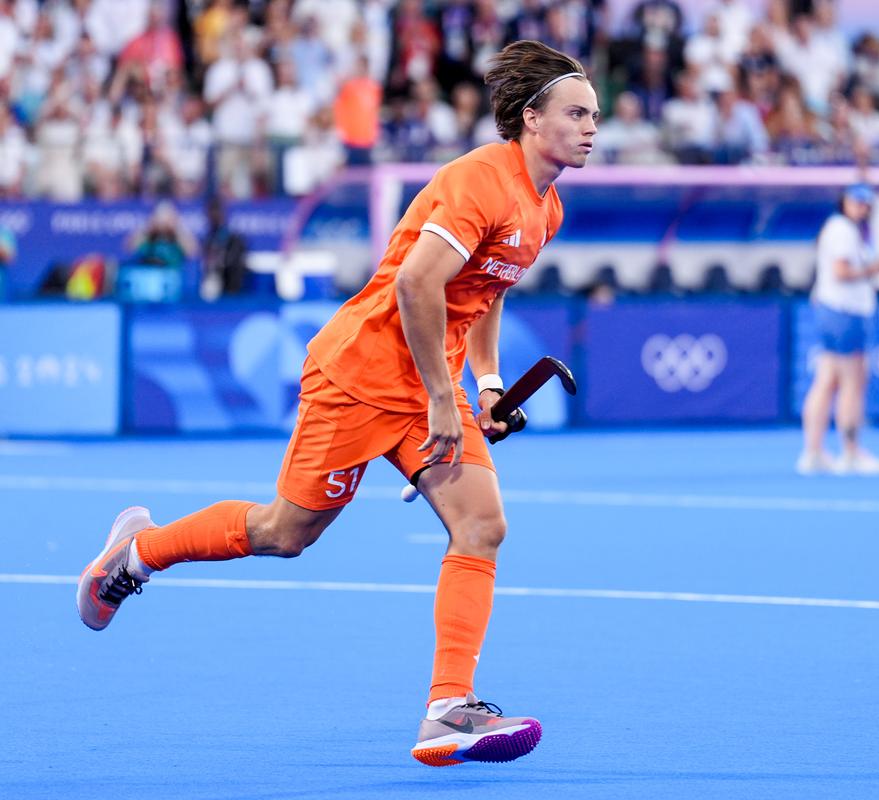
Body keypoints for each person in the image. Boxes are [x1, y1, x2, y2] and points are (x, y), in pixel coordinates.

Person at [76, 40, 599, 768]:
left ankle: (448, 709)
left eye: (594, 115)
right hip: (359, 376)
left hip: (432, 388)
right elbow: (419, 286)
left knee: (482, 526)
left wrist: (483, 386)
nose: (590, 127)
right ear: (531, 118)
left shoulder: (547, 210)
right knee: (284, 533)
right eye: (575, 113)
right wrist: (448, 399)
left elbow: (483, 293)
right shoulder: (479, 181)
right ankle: (132, 556)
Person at [796, 185, 879, 476]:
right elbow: (841, 271)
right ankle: (850, 451)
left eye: (866, 203)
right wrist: (874, 270)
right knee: (853, 381)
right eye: (856, 202)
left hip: (835, 309)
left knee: (827, 380)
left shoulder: (845, 231)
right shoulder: (842, 231)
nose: (862, 208)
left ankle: (813, 451)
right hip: (844, 311)